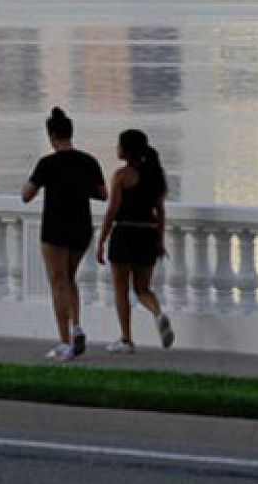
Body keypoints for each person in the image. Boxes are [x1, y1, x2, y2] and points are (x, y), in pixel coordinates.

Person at [22, 107, 106, 362]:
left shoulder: (47, 164)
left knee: (58, 281)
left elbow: (27, 195)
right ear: (70, 133)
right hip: (81, 227)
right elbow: (103, 194)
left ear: (51, 136)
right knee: (69, 277)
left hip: (55, 228)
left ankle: (64, 341)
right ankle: (77, 325)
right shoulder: (88, 161)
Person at [96, 129, 174, 354]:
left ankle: (126, 339)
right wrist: (159, 240)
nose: (117, 148)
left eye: (119, 145)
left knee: (121, 291)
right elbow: (160, 212)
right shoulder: (155, 176)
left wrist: (102, 239)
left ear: (126, 150)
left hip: (125, 234)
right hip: (148, 234)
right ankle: (158, 313)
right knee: (143, 289)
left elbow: (112, 210)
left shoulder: (122, 175)